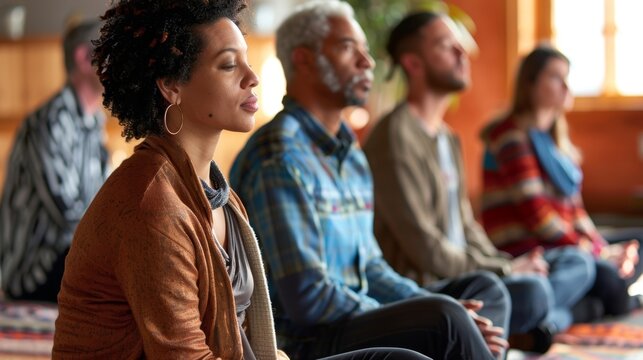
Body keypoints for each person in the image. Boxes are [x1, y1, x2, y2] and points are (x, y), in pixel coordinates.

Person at [51, 1, 433, 360]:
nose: (252, 78)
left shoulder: (220, 194)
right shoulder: (152, 205)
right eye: (229, 65)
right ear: (172, 86)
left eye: (246, 62)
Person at [231, 1, 510, 359]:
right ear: (303, 60)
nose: (368, 62)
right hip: (306, 342)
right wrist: (424, 314)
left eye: (365, 50)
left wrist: (429, 304)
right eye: (349, 48)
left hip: (353, 319)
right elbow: (309, 300)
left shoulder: (351, 153)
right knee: (446, 320)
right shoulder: (280, 156)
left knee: (481, 291)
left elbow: (372, 267)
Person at [363, 12, 597, 353]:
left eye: (460, 44)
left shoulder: (447, 137)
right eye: (446, 46)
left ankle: (535, 324)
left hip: (472, 275)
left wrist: (506, 263)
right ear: (412, 63)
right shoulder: (394, 137)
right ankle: (539, 320)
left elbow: (467, 225)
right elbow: (425, 248)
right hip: (428, 289)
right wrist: (504, 267)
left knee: (573, 267)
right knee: (536, 292)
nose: (462, 53)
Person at [481, 45, 643, 321]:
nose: (567, 86)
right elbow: (538, 218)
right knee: (597, 273)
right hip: (530, 250)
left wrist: (602, 246)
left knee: (637, 242)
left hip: (563, 246)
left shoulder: (555, 145)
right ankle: (582, 306)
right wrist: (597, 253)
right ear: (530, 83)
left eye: (567, 77)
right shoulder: (510, 137)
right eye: (556, 77)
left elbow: (577, 212)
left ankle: (582, 307)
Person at [0, 19, 109, 302]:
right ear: (84, 59)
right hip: (33, 269)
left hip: (71, 254)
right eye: (109, 53)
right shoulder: (50, 122)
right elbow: (70, 214)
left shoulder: (94, 122)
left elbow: (104, 203)